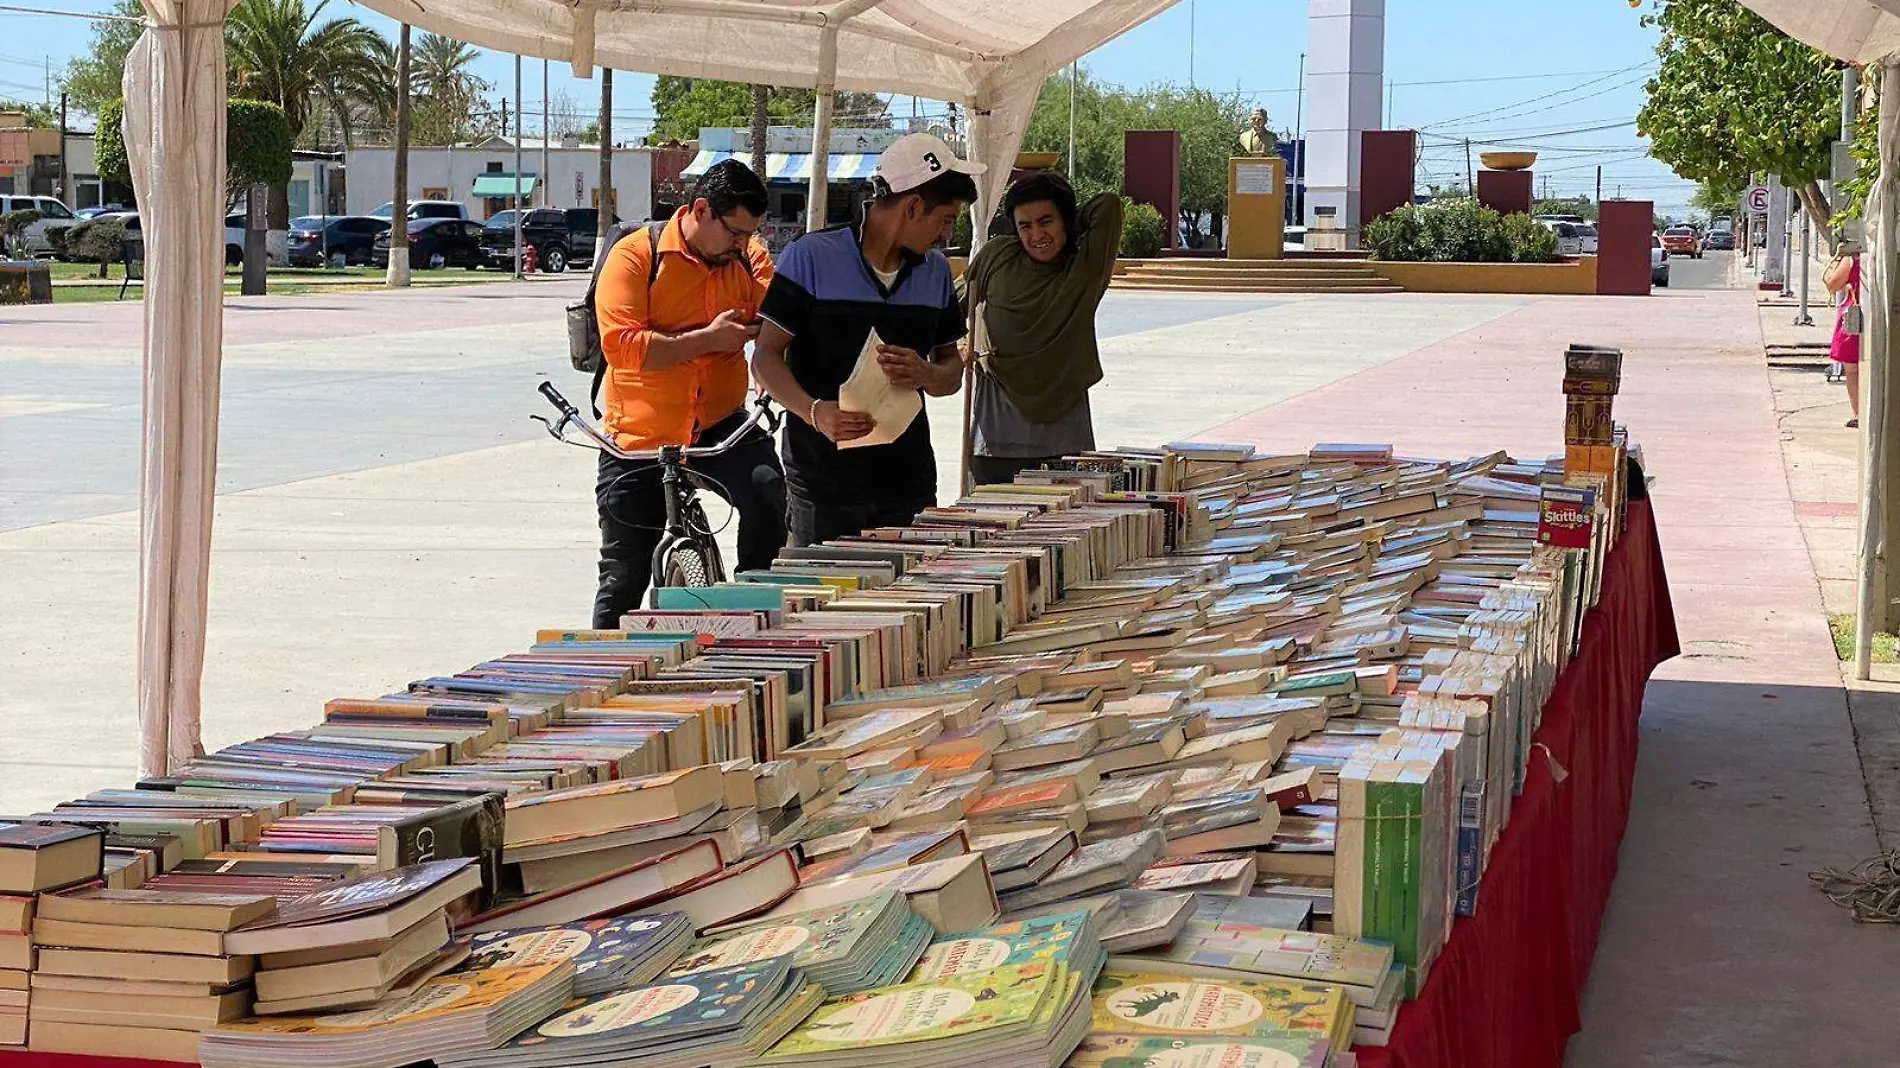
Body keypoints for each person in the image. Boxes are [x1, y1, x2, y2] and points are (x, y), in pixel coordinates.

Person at [752, 133, 980, 546]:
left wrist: (926, 372)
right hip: (822, 484)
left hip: (907, 482)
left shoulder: (936, 273)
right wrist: (815, 412)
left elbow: (951, 375)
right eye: (944, 218)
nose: (947, 233)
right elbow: (765, 357)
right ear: (912, 207)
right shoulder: (810, 256)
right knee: (821, 606)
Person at [590, 159, 786, 626]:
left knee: (768, 494)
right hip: (640, 436)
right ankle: (600, 675)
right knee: (623, 575)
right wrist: (708, 339)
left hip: (720, 424)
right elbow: (623, 347)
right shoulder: (637, 256)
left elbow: (777, 317)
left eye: (750, 234)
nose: (743, 244)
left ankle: (754, 613)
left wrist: (770, 349)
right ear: (701, 209)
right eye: (735, 232)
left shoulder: (748, 256)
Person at [961, 171, 1123, 486]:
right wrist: (956, 346)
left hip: (1064, 445)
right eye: (1025, 225)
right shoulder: (997, 255)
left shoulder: (1085, 268)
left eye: (1046, 221)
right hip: (994, 441)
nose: (1036, 234)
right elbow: (952, 308)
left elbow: (1108, 206)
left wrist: (1068, 225)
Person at [1825, 240, 1863, 429]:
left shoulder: (1851, 259)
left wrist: (1837, 259)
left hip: (1855, 316)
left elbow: (1832, 284)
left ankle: (1858, 412)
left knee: (1852, 369)